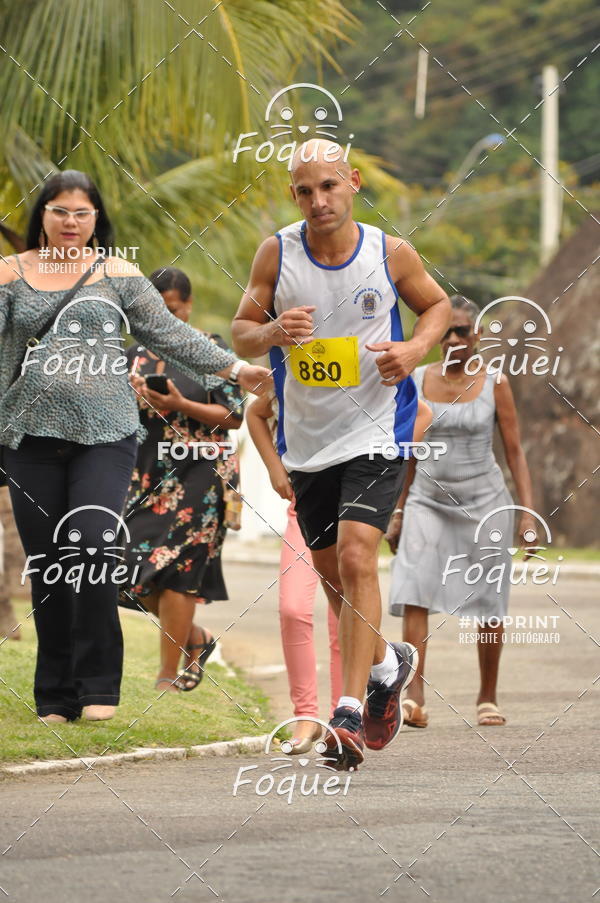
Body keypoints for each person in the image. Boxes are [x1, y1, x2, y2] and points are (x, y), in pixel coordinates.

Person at [0, 169, 270, 725]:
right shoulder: (10, 274)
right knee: (50, 561)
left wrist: (238, 369)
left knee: (96, 547)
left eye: (81, 212)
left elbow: (170, 335)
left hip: (106, 435)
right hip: (28, 437)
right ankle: (55, 692)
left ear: (96, 218)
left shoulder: (117, 274)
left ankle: (99, 682)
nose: (70, 222)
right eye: (58, 211)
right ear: (42, 215)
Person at [232, 139, 451, 770]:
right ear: (293, 194)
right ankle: (386, 664)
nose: (318, 200)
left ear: (352, 183)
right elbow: (242, 327)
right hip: (308, 440)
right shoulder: (278, 251)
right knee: (332, 576)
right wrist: (271, 332)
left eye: (329, 186)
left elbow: (436, 306)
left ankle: (348, 709)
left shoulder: (389, 252)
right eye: (305, 190)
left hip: (380, 429)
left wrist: (415, 353)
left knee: (358, 554)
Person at [386, 294, 535, 728]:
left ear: (477, 336)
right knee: (415, 587)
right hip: (427, 499)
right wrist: (398, 510)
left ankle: (487, 696)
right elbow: (407, 451)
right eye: (445, 331)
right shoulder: (414, 379)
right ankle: (414, 696)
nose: (453, 338)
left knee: (490, 599)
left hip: (485, 502)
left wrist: (527, 514)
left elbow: (515, 452)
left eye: (462, 331)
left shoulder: (496, 382)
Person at [122, 266, 243, 694]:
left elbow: (234, 415)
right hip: (147, 475)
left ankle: (165, 677)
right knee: (119, 571)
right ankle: (195, 638)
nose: (163, 320)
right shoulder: (132, 356)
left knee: (178, 572)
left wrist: (178, 404)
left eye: (171, 310)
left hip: (202, 473)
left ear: (188, 308)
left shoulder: (208, 350)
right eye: (154, 311)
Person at [246, 390, 343, 753]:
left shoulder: (363, 355)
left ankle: (341, 717)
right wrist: (275, 467)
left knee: (343, 616)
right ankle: (305, 716)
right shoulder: (295, 365)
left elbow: (420, 413)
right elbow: (256, 413)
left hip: (354, 509)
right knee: (293, 609)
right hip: (304, 508)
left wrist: (390, 475)